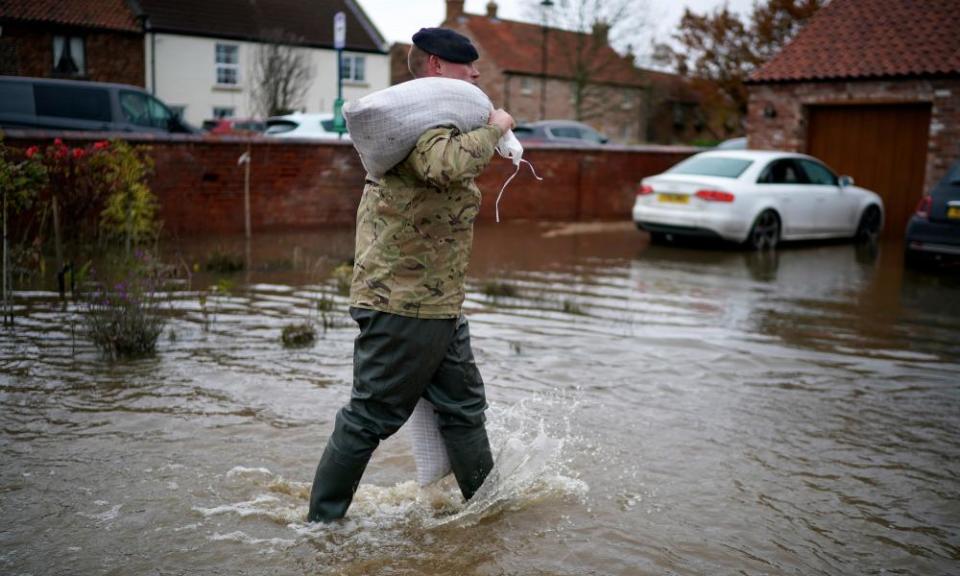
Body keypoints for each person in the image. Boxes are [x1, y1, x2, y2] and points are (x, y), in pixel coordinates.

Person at [308, 27, 515, 522]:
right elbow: (443, 166)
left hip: (437, 303)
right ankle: (320, 527)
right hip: (402, 303)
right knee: (369, 417)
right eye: (468, 64)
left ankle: (486, 516)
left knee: (464, 409)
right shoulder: (424, 124)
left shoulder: (434, 119)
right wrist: (496, 126)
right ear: (437, 67)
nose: (477, 72)